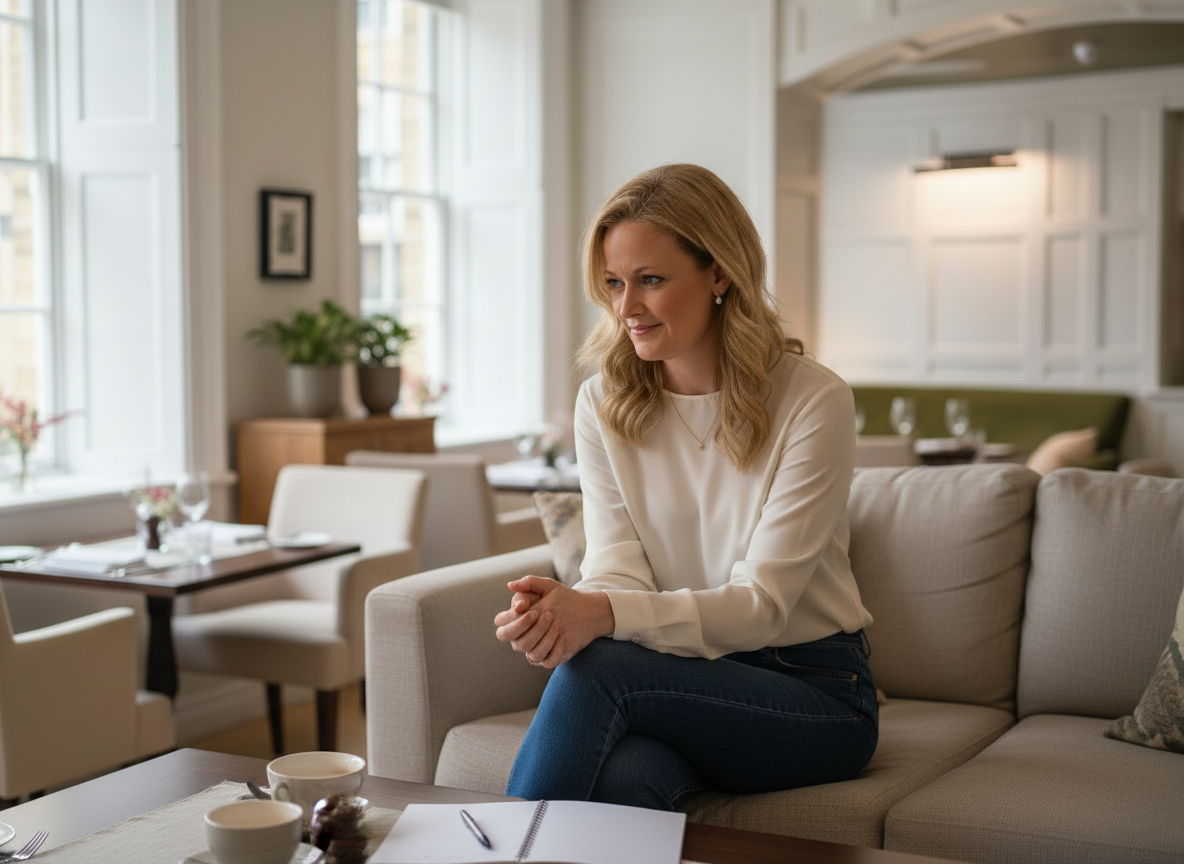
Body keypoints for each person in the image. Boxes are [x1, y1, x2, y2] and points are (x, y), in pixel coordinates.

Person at [493, 163, 877, 812]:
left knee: (596, 668)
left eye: (650, 280)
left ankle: (497, 851)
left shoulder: (814, 400)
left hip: (814, 690)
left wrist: (601, 615)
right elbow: (618, 570)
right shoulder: (603, 402)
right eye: (613, 283)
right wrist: (572, 608)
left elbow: (763, 605)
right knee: (622, 778)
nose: (626, 308)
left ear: (719, 273)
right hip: (685, 680)